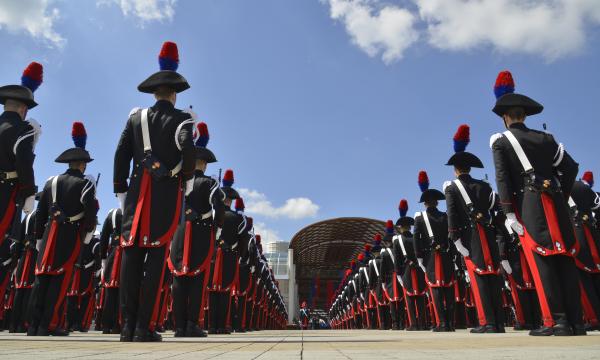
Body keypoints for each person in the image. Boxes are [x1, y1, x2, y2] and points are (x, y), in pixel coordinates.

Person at [490, 70, 584, 336]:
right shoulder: (546, 138)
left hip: (532, 204)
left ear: (506, 117)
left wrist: (509, 213)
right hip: (556, 202)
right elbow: (571, 167)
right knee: (565, 258)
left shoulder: (501, 141)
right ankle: (576, 322)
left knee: (542, 260)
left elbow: (503, 180)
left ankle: (557, 321)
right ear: (525, 116)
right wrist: (561, 195)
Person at [113, 41, 195, 342]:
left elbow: (121, 154)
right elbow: (188, 151)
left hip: (136, 196)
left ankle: (126, 326)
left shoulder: (135, 118)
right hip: (163, 198)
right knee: (155, 263)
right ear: (174, 94)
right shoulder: (183, 119)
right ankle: (143, 327)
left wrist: (121, 189)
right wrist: (185, 179)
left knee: (130, 260)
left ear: (154, 92)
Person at [29, 122, 97, 336]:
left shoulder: (51, 182)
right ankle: (50, 324)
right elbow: (90, 213)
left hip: (49, 234)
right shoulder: (86, 184)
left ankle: (33, 325)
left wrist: (39, 237)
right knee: (60, 280)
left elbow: (40, 214)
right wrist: (86, 235)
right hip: (69, 234)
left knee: (42, 279)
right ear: (83, 165)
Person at [445, 124, 505, 333]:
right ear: (470, 168)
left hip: (470, 237)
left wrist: (455, 239)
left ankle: (487, 322)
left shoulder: (452, 188)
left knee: (479, 278)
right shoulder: (485, 186)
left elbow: (452, 214)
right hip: (488, 233)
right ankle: (499, 323)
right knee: (493, 276)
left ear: (456, 169)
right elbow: (498, 208)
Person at [168, 122, 224, 337]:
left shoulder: (179, 182)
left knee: (179, 280)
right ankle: (193, 323)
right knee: (197, 281)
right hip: (200, 233)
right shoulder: (210, 184)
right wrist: (216, 230)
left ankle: (179, 325)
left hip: (179, 234)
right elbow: (219, 210)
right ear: (205, 164)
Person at [0, 62, 43, 313]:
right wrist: (28, 192)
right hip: (6, 193)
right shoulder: (23, 130)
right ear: (24, 109)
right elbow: (24, 164)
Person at [413, 171, 455, 332]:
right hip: (446, 254)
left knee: (436, 289)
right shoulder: (445, 216)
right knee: (449, 288)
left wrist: (419, 257)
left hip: (430, 257)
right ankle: (450, 323)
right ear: (437, 203)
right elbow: (450, 235)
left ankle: (442, 323)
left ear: (425, 204)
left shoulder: (419, 218)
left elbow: (417, 239)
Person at [208, 170, 245, 334]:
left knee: (211, 291)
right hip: (229, 255)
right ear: (230, 200)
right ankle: (221, 325)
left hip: (212, 255)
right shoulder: (238, 219)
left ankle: (210, 325)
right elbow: (243, 242)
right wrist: (239, 253)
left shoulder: (213, 213)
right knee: (224, 292)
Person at [569, 171, 600, 330]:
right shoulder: (584, 186)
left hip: (576, 234)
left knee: (583, 279)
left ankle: (594, 318)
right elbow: (597, 205)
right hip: (592, 233)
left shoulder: (563, 186)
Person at [393, 200, 427, 330]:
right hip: (418, 268)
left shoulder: (397, 241)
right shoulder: (415, 237)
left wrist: (398, 274)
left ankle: (413, 324)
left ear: (400, 228)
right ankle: (423, 323)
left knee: (410, 298)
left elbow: (397, 259)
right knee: (420, 297)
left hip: (406, 270)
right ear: (410, 227)